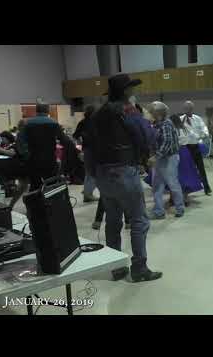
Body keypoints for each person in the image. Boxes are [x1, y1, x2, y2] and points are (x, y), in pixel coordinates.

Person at [86, 73, 162, 283]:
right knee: (139, 220)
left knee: (113, 221)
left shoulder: (97, 114)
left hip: (102, 173)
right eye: (132, 88)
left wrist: (93, 173)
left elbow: (88, 145)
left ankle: (117, 267)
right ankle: (139, 268)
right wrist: (145, 119)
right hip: (123, 171)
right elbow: (147, 137)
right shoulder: (128, 110)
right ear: (127, 91)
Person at [16, 102, 72, 191]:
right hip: (49, 158)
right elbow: (65, 140)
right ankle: (51, 203)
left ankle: (36, 204)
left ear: (36, 110)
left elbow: (19, 141)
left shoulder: (28, 123)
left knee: (35, 185)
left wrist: (25, 155)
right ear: (47, 110)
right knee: (51, 184)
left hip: (33, 159)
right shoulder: (54, 123)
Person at [147, 102, 184, 219]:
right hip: (160, 158)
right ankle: (159, 211)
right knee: (157, 186)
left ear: (158, 114)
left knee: (173, 184)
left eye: (151, 112)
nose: (150, 114)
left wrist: (156, 156)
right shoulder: (156, 124)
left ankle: (180, 208)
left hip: (169, 158)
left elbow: (167, 143)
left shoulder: (166, 124)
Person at [169, 114, 203, 205]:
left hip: (177, 152)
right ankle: (185, 198)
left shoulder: (173, 130)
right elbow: (195, 137)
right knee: (186, 176)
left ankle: (173, 198)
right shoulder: (185, 129)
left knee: (176, 176)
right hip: (186, 152)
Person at [180, 101, 212, 195]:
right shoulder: (180, 119)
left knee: (201, 168)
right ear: (184, 109)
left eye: (190, 108)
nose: (188, 110)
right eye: (186, 108)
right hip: (185, 147)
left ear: (192, 109)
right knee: (187, 169)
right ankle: (186, 189)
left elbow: (204, 128)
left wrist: (204, 134)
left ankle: (206, 187)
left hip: (195, 146)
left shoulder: (197, 118)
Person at [0, 131, 29, 209]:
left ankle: (11, 204)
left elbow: (12, 153)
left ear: (8, 138)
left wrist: (0, 150)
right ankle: (11, 205)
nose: (1, 140)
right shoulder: (5, 146)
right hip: (19, 170)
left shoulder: (15, 145)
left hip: (20, 169)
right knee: (22, 187)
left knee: (23, 187)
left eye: (3, 138)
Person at [73, 105, 99, 202]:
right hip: (96, 150)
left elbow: (75, 135)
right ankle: (88, 192)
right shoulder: (97, 122)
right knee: (95, 173)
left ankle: (88, 193)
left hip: (87, 149)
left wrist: (81, 141)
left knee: (89, 173)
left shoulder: (82, 122)